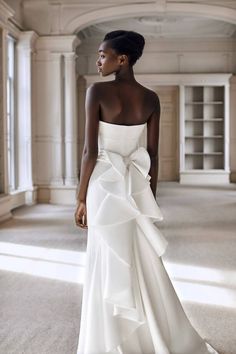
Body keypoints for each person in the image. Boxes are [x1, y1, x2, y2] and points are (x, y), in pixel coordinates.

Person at [74, 30, 219, 354]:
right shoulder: (150, 98)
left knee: (106, 255)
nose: (98, 60)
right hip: (134, 186)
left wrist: (81, 197)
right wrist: (148, 197)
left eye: (102, 55)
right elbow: (152, 155)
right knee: (139, 256)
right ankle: (149, 332)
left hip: (104, 187)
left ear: (121, 59)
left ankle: (107, 340)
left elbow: (90, 152)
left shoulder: (96, 92)